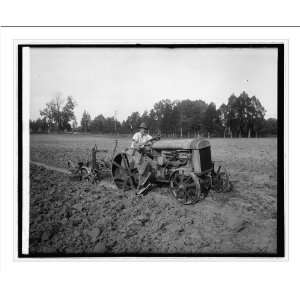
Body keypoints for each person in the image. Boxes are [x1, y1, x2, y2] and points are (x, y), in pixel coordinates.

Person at [130, 122, 156, 195]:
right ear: (140, 129)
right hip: (135, 152)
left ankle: (148, 180)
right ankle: (140, 187)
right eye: (142, 129)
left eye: (145, 129)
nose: (144, 130)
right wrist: (138, 145)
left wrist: (154, 141)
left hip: (144, 153)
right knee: (142, 169)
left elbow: (152, 141)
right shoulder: (136, 135)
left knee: (151, 164)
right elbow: (134, 144)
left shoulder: (147, 136)